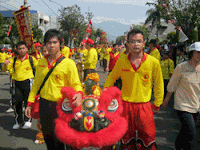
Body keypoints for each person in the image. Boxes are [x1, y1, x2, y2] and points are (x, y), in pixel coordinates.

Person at [104, 29, 164, 150]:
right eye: (132, 41)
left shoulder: (153, 62)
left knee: (148, 139)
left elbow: (158, 83)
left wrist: (157, 103)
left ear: (144, 43)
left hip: (144, 107)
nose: (135, 44)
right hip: (125, 106)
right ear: (127, 44)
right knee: (126, 139)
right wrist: (105, 93)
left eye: (138, 41)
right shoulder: (122, 60)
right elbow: (111, 77)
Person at [25, 29, 83, 150]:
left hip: (62, 107)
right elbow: (36, 85)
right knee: (47, 136)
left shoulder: (69, 63)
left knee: (61, 139)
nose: (51, 45)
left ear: (60, 44)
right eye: (48, 42)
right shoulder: (41, 62)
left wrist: (79, 93)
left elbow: (76, 84)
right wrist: (29, 103)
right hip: (44, 105)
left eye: (54, 42)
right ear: (45, 44)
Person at [162, 41, 200, 150]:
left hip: (195, 105)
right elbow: (172, 84)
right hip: (182, 105)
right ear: (191, 53)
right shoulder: (181, 67)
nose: (199, 55)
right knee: (192, 132)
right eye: (197, 52)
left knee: (185, 130)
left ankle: (178, 146)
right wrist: (167, 99)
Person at [3, 41, 38, 129]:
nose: (22, 50)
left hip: (28, 82)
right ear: (17, 50)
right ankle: (18, 121)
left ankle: (27, 120)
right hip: (17, 83)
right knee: (17, 102)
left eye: (23, 48)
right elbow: (7, 68)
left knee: (28, 102)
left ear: (26, 49)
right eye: (20, 49)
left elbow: (39, 68)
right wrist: (5, 64)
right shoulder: (14, 59)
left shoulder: (31, 59)